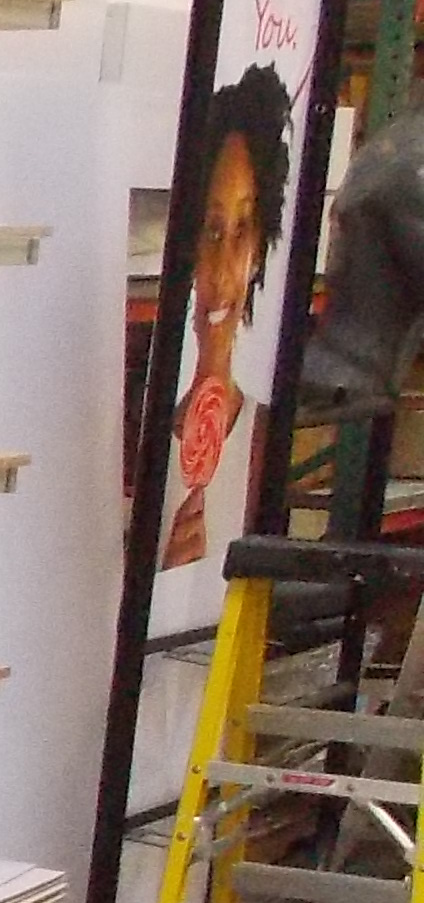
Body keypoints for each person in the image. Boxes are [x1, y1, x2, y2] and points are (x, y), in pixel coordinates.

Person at [160, 62, 294, 576]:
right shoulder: (137, 429)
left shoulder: (263, 436)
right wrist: (164, 575)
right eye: (211, 230)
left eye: (242, 229)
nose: (222, 268)